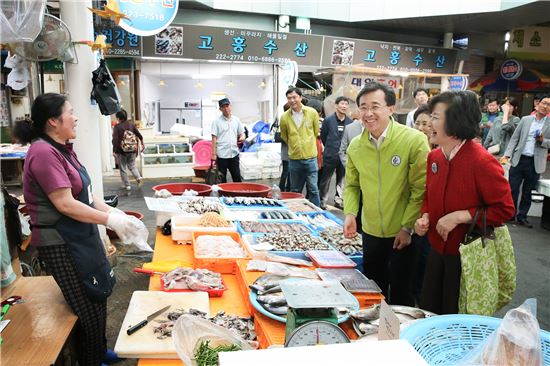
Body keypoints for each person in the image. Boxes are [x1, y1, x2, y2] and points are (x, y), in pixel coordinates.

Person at [16, 93, 146, 366]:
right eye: (70, 112)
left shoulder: (63, 147)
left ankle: (98, 351)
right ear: (53, 120)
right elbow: (65, 204)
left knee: (99, 294)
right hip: (62, 242)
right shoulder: (42, 152)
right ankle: (90, 360)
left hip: (80, 236)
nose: (76, 117)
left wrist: (115, 213)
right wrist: (108, 222)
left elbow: (84, 195)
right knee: (86, 305)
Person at [415, 90, 515, 314]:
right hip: (436, 251)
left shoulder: (482, 161)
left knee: (455, 318)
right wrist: (425, 216)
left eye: (435, 118)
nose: (428, 123)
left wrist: (460, 216)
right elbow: (428, 198)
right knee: (429, 311)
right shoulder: (435, 157)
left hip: (466, 257)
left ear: (455, 122)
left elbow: (505, 209)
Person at [343, 82, 430, 305]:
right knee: (373, 292)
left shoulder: (413, 140)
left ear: (390, 108)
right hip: (371, 232)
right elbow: (352, 185)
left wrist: (407, 227)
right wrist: (350, 213)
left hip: (402, 233)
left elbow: (420, 188)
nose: (368, 113)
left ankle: (402, 336)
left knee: (403, 295)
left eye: (375, 106)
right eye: (363, 107)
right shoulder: (355, 146)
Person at [502, 94, 550, 228]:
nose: (545, 106)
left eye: (549, 105)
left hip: (535, 162)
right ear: (537, 104)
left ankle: (522, 217)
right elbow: (514, 139)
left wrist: (543, 141)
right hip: (519, 159)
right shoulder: (525, 120)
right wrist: (506, 156)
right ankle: (510, 215)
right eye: (544, 103)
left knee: (528, 192)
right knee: (512, 189)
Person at [280, 87, 321, 207]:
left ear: (300, 98)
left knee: (313, 188)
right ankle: (296, 212)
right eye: (289, 98)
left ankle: (317, 213)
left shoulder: (312, 113)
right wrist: (295, 145)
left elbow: (315, 131)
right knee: (295, 190)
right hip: (294, 159)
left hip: (310, 158)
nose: (292, 100)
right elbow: (285, 136)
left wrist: (307, 144)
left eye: (294, 97)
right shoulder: (284, 117)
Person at [319, 96, 353, 209]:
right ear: (336, 105)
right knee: (326, 179)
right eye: (342, 103)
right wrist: (330, 146)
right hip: (330, 155)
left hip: (343, 156)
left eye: (346, 104)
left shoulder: (350, 122)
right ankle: (323, 200)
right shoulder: (328, 120)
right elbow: (323, 136)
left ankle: (338, 200)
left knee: (341, 179)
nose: (344, 106)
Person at [211, 98, 245, 183]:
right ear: (220, 109)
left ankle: (238, 195)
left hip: (234, 153)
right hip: (222, 154)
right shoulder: (216, 121)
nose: (226, 108)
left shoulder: (236, 120)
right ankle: (223, 195)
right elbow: (214, 138)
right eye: (223, 107)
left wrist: (242, 137)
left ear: (231, 106)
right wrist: (214, 154)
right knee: (222, 179)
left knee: (237, 177)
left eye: (227, 106)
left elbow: (242, 133)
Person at [111, 109, 143, 190]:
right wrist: (142, 143)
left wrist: (114, 150)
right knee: (132, 166)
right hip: (132, 149)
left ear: (118, 118)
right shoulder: (131, 125)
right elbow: (139, 135)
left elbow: (115, 140)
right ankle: (139, 178)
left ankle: (127, 185)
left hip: (122, 151)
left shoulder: (117, 127)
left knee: (123, 168)